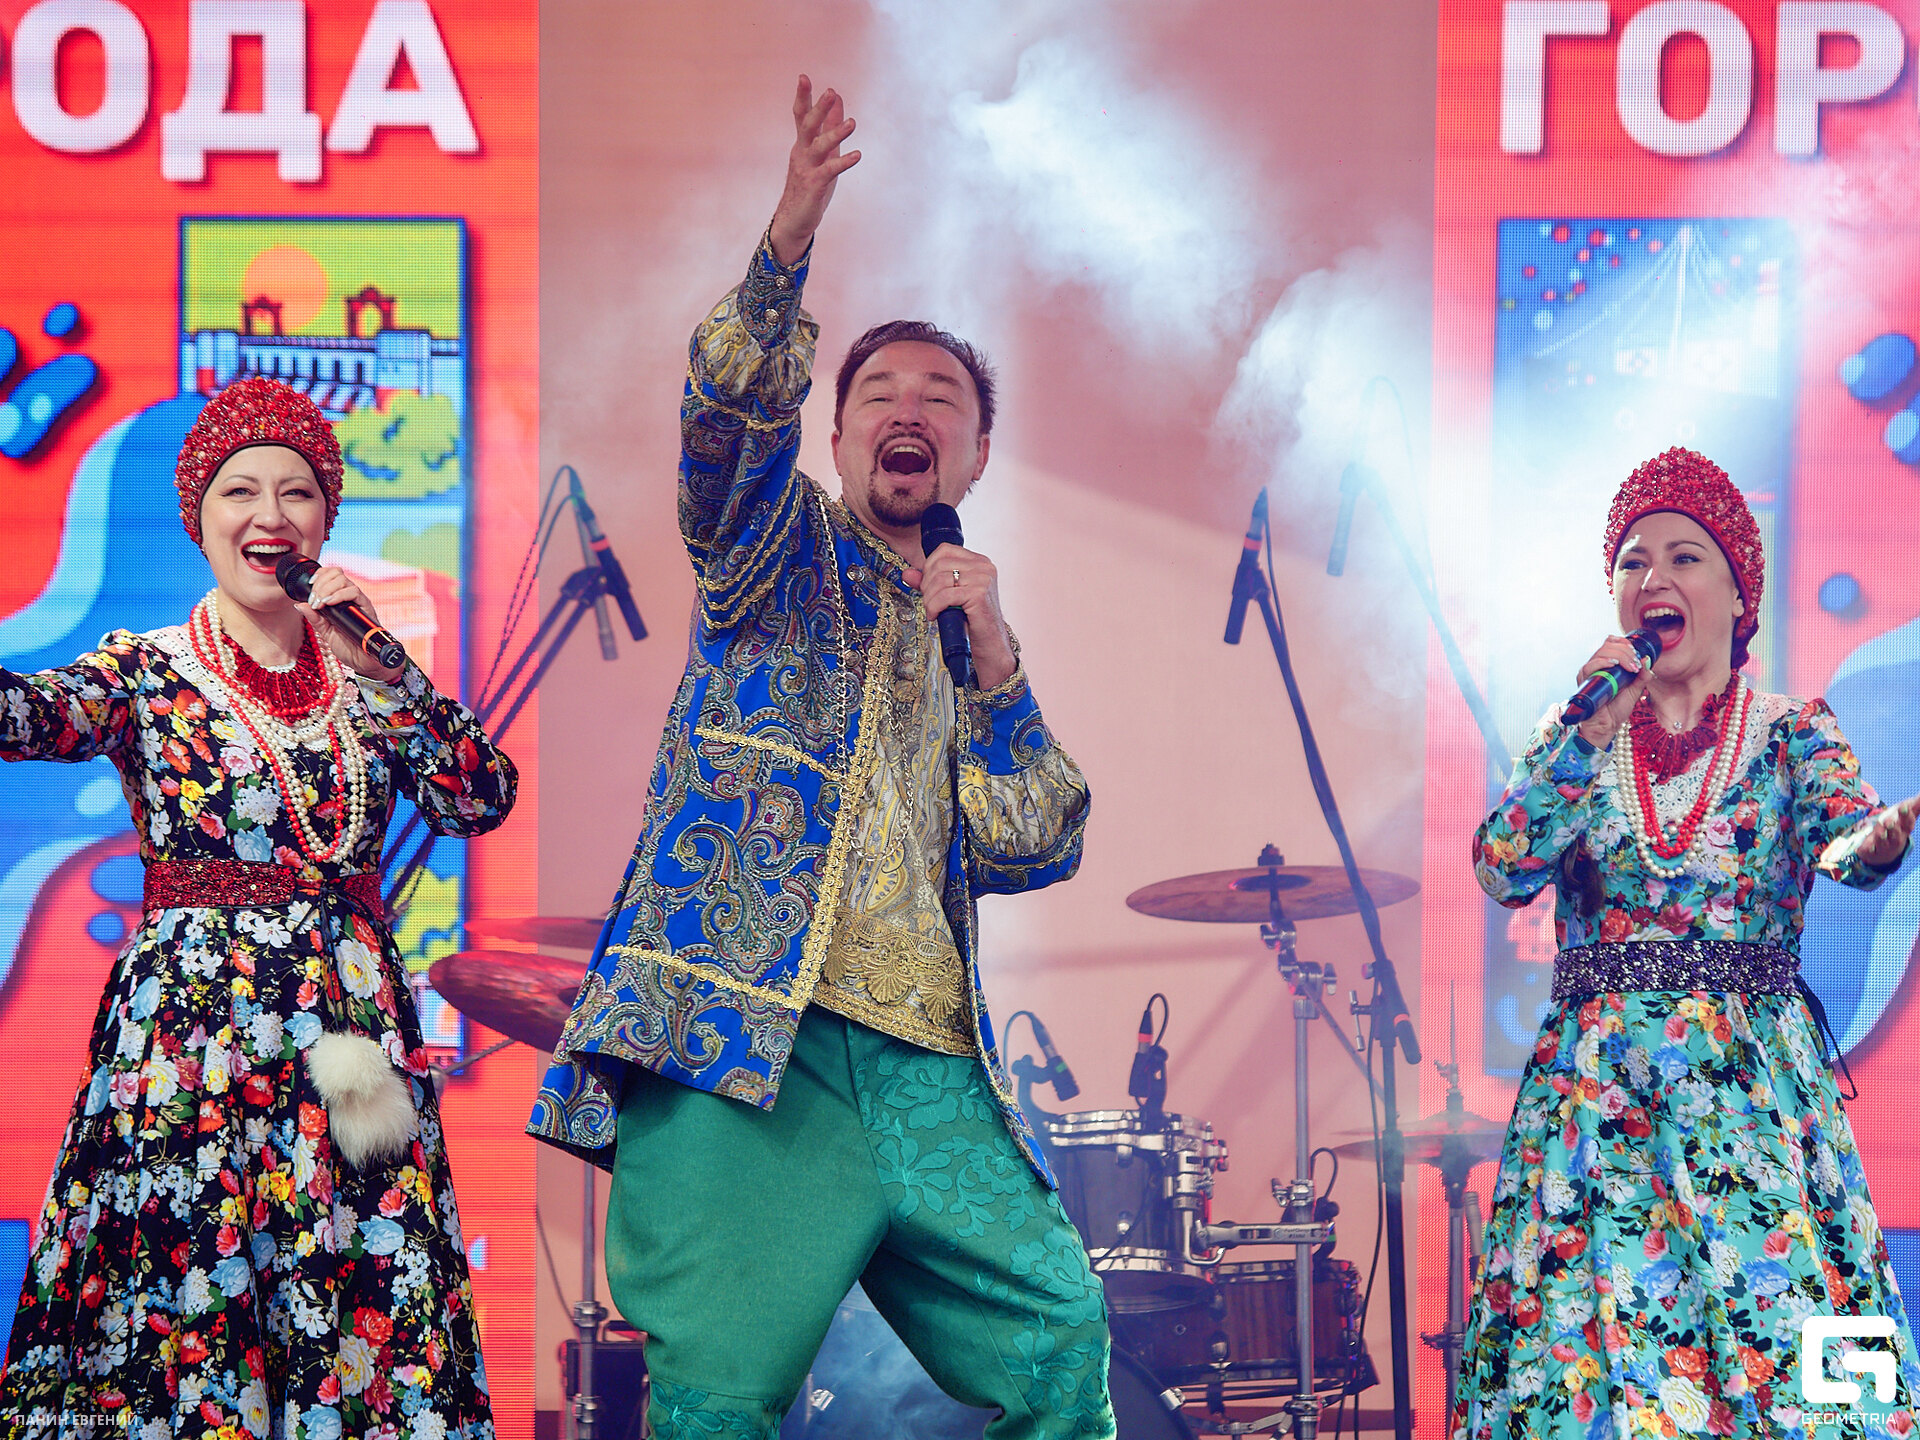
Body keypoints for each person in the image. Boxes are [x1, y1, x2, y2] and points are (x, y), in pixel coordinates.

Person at [528, 78, 1113, 1439]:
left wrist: (997, 665)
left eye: (942, 397)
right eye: (879, 393)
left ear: (976, 449)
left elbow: (1037, 838)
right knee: (720, 1400)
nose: (910, 409)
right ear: (838, 435)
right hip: (749, 1038)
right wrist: (791, 232)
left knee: (1059, 1341)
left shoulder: (970, 623)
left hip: (924, 1060)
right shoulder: (771, 545)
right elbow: (726, 421)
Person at [0, 377, 517, 1440]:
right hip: (195, 1046)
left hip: (349, 1054)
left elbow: (479, 797)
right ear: (200, 519)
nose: (269, 516)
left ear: (325, 522)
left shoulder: (366, 679)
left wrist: (386, 666)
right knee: (189, 1303)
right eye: (240, 492)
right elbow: (30, 715)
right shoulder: (146, 671)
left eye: (297, 493)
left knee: (363, 1310)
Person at [1454, 447, 1920, 1439]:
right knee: (1586, 1365)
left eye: (1683, 556)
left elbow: (1847, 840)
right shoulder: (1574, 735)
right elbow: (1502, 867)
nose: (1652, 577)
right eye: (1632, 561)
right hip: (1594, 1104)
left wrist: (1872, 844)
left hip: (1750, 1103)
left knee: (1797, 1357)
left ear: (1738, 596)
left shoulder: (1793, 731)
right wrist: (1587, 729)